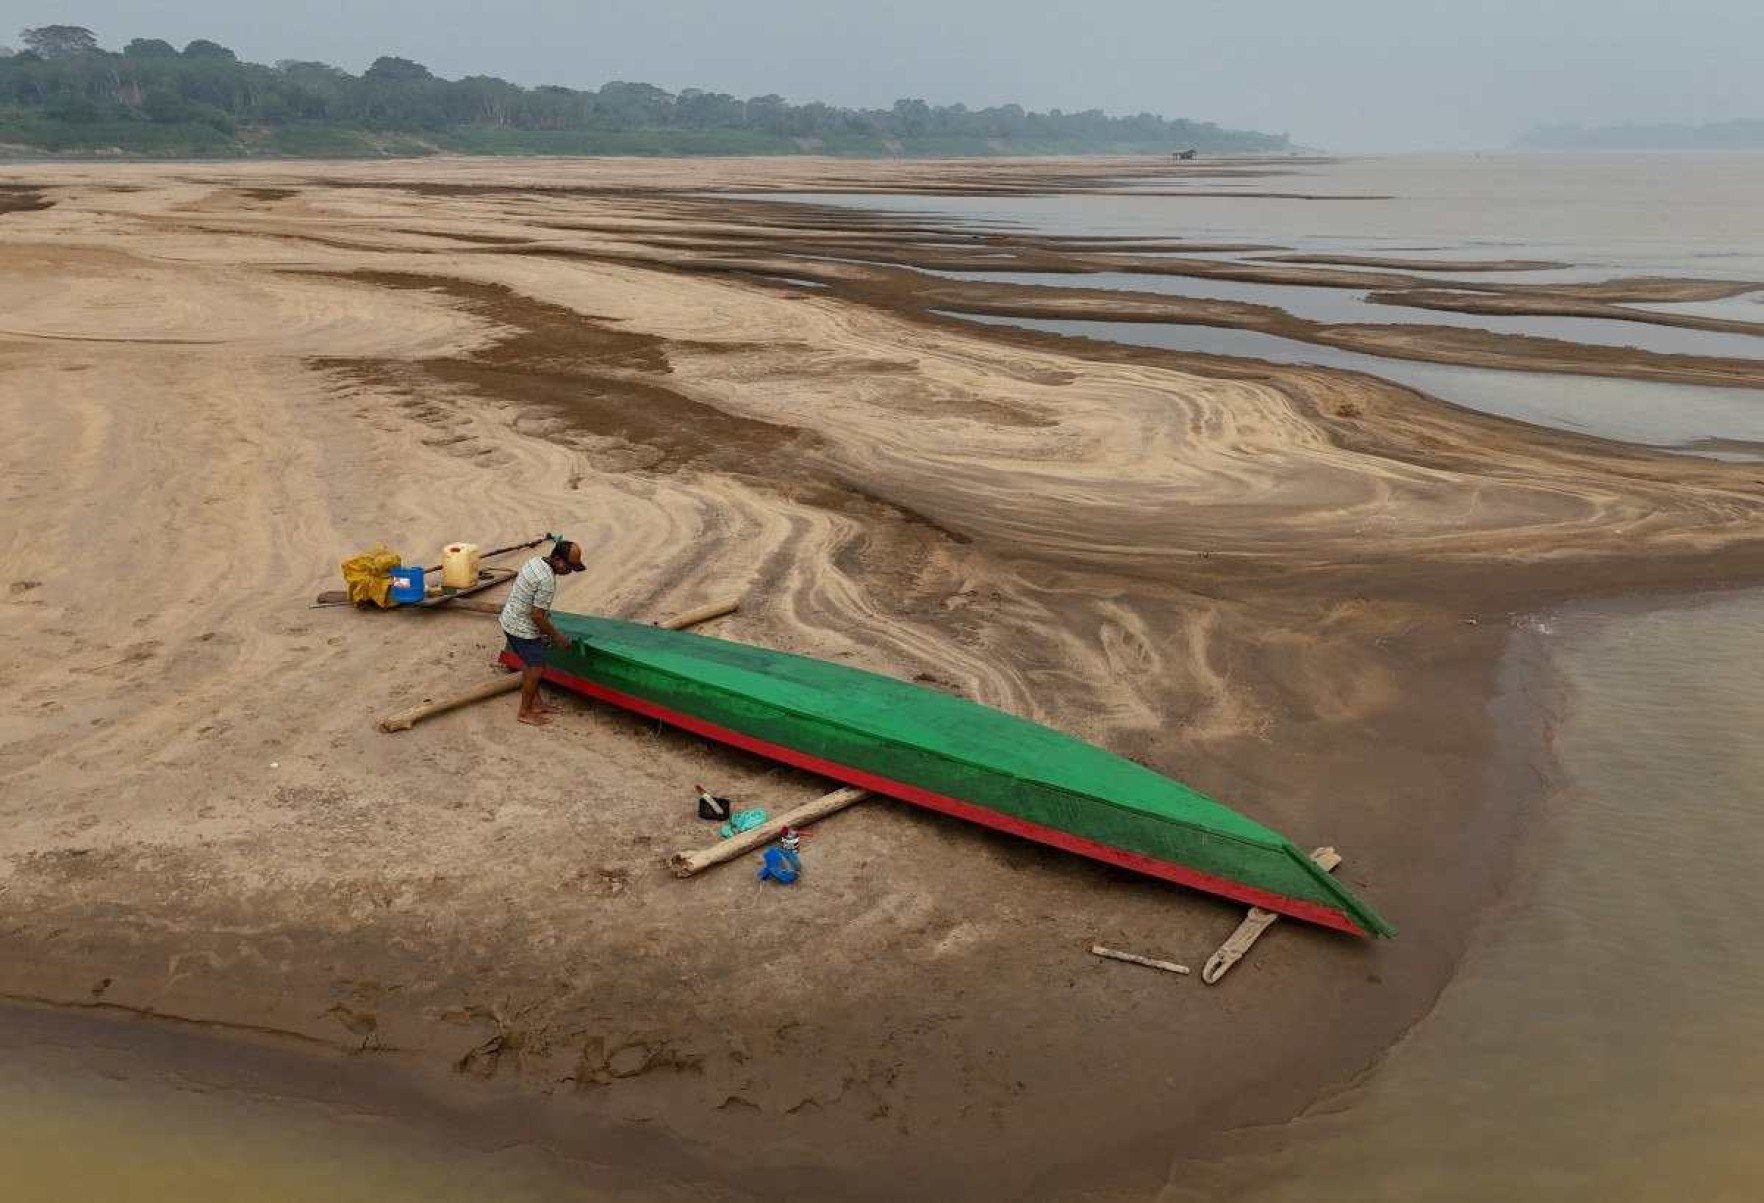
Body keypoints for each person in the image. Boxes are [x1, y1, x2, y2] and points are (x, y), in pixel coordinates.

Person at [499, 538, 584, 726]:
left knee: (531, 662)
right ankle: (525, 711)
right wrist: (558, 637)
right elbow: (537, 616)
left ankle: (536, 703)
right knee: (536, 667)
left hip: (508, 618)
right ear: (558, 560)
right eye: (569, 567)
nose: (569, 571)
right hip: (520, 628)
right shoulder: (547, 581)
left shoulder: (535, 561)